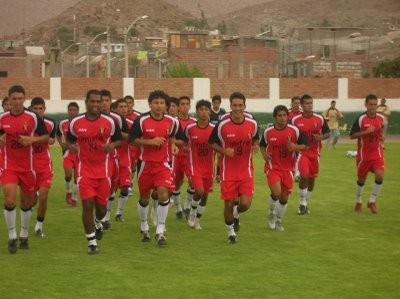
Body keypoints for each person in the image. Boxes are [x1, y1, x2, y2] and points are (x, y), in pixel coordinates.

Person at [66, 89, 122, 254]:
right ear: (86, 102)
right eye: (93, 101)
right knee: (88, 204)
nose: (96, 105)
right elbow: (68, 141)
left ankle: (98, 222)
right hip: (84, 171)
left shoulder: (109, 122)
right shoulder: (76, 122)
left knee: (102, 209)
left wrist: (111, 146)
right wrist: (72, 147)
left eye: (99, 102)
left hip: (104, 172)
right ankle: (91, 242)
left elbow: (119, 140)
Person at [129, 90, 183, 246]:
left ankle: (160, 230)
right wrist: (149, 142)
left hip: (163, 164)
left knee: (163, 193)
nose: (159, 106)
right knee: (144, 197)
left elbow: (173, 136)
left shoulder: (172, 121)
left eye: (162, 103)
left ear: (166, 105)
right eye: (156, 103)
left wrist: (172, 145)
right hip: (145, 164)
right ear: (150, 104)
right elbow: (132, 140)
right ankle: (144, 225)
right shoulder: (141, 120)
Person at [0, 85, 49, 253]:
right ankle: (12, 236)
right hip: (9, 166)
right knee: (10, 200)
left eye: (20, 99)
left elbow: (46, 138)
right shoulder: (2, 118)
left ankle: (24, 234)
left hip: (28, 167)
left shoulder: (33, 118)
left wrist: (31, 140)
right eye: (14, 99)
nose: (17, 102)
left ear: (24, 99)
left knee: (27, 203)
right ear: (8, 100)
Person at [209, 92, 259, 244]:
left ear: (244, 106)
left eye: (240, 105)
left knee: (245, 204)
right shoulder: (222, 125)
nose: (237, 108)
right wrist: (224, 151)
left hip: (246, 171)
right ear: (230, 106)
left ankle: (236, 215)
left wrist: (255, 146)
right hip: (228, 172)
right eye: (234, 105)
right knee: (229, 203)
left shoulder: (253, 124)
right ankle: (231, 233)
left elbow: (256, 139)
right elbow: (211, 143)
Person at [260, 105, 308, 231]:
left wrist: (295, 147)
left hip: (288, 169)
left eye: (285, 115)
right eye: (280, 116)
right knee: (276, 192)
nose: (282, 118)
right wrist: (264, 154)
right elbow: (262, 145)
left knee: (284, 198)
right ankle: (271, 213)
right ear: (275, 117)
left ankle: (279, 220)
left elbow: (306, 145)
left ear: (288, 116)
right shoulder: (268, 132)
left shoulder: (295, 131)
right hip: (273, 167)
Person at [291, 94, 330, 215]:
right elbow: (290, 134)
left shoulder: (320, 118)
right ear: (302, 105)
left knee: (312, 180)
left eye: (311, 103)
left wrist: (320, 137)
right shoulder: (295, 120)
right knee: (304, 176)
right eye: (307, 103)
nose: (309, 105)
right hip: (302, 153)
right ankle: (302, 203)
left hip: (315, 154)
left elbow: (327, 133)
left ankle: (305, 203)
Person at [350, 94, 384, 214]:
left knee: (380, 175)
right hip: (363, 156)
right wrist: (365, 132)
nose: (373, 107)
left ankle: (372, 201)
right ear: (366, 105)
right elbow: (352, 136)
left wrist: (382, 137)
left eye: (375, 105)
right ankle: (358, 201)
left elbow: (381, 130)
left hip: (377, 154)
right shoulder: (361, 119)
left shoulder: (380, 117)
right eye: (370, 104)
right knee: (361, 180)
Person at [185, 100, 215, 230]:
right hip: (195, 166)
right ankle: (192, 211)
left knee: (205, 196)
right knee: (199, 191)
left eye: (206, 109)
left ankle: (197, 220)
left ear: (209, 111)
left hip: (209, 167)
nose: (203, 112)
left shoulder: (215, 129)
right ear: (197, 111)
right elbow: (183, 141)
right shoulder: (190, 128)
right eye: (201, 109)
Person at [29, 97, 56, 237]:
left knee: (44, 196)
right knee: (31, 200)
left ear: (44, 109)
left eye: (41, 108)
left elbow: (52, 139)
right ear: (31, 109)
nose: (38, 111)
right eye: (35, 108)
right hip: (28, 167)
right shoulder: (26, 122)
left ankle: (39, 226)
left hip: (45, 165)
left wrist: (48, 139)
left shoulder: (50, 123)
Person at [171, 96, 196, 220]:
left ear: (190, 106)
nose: (185, 106)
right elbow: (170, 139)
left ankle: (186, 206)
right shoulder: (173, 121)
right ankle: (178, 208)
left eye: (187, 104)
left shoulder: (194, 122)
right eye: (182, 104)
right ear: (178, 107)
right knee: (176, 183)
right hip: (176, 156)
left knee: (193, 182)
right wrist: (180, 144)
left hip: (190, 158)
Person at [56, 102, 80, 207]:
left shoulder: (82, 122)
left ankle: (74, 198)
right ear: (68, 111)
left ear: (78, 111)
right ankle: (68, 191)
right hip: (67, 153)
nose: (72, 112)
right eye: (70, 110)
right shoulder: (63, 123)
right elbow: (58, 134)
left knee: (77, 178)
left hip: (80, 155)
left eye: (74, 110)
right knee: (68, 174)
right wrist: (62, 144)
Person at [210, 94, 226, 183]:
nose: (216, 104)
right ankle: (210, 174)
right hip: (211, 138)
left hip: (220, 137)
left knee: (220, 156)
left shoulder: (223, 112)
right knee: (210, 157)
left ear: (220, 103)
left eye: (218, 103)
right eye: (214, 103)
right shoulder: (209, 112)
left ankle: (219, 175)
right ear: (212, 103)